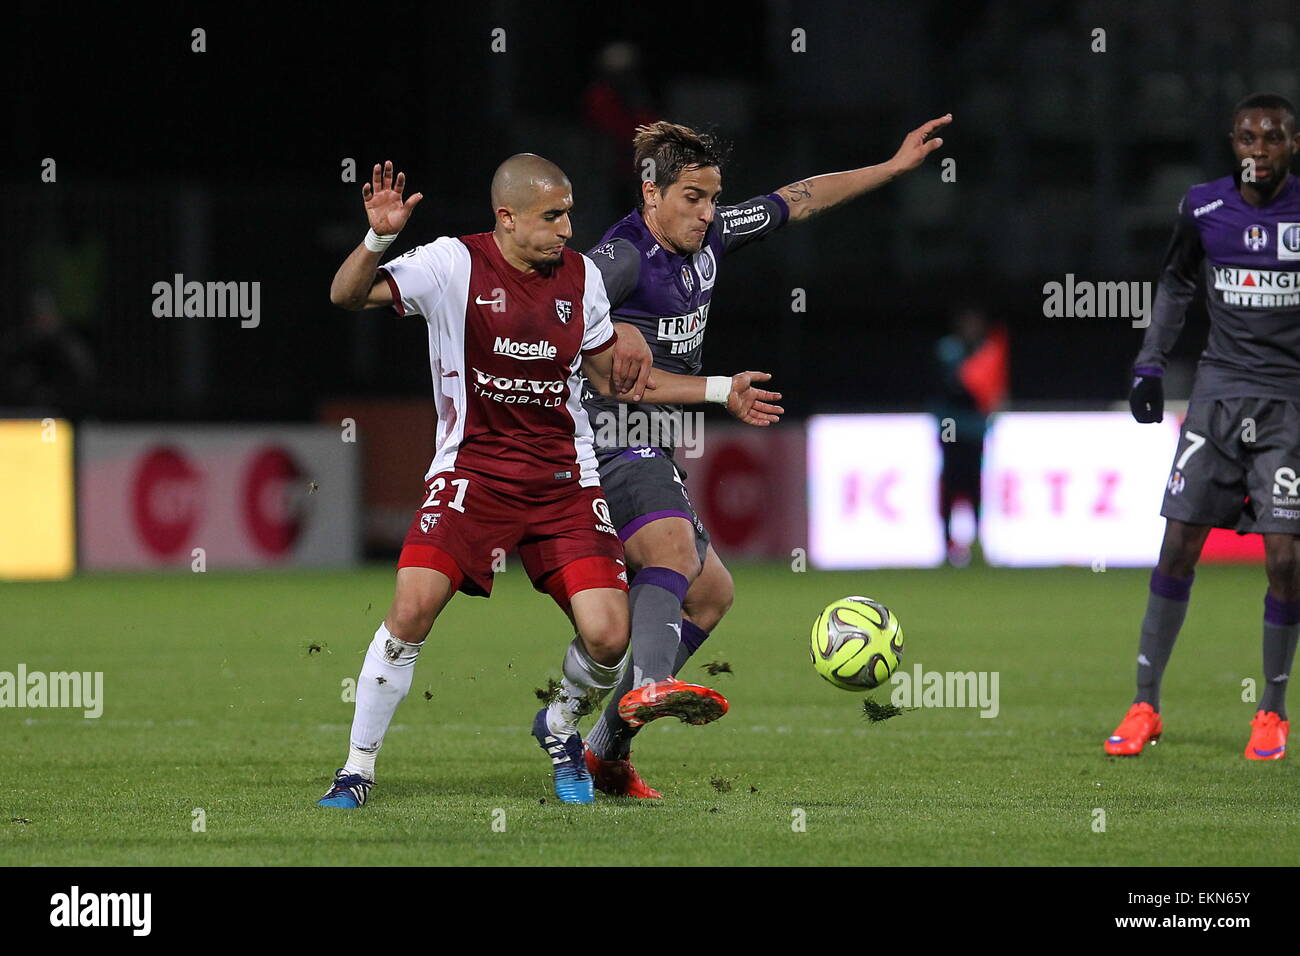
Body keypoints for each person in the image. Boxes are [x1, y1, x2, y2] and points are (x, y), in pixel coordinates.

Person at [318, 156, 783, 806]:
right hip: (471, 473)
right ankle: (357, 769)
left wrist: (693, 379)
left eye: (569, 212)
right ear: (507, 217)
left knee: (608, 635)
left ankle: (562, 726)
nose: (568, 228)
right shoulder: (452, 264)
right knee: (411, 609)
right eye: (553, 216)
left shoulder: (583, 280)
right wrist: (377, 239)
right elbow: (346, 295)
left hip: (564, 480)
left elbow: (613, 381)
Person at [571, 115, 952, 797]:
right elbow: (569, 312)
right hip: (600, 431)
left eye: (714, 197)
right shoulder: (623, 258)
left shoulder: (710, 236)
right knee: (672, 555)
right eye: (693, 197)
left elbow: (799, 197)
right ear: (651, 192)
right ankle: (652, 685)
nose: (708, 211)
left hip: (649, 432)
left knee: (713, 595)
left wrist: (889, 169)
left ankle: (605, 751)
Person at [1107, 93, 1300, 760]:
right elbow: (1177, 285)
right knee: (1178, 547)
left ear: (1291, 146)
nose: (1258, 150)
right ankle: (1144, 705)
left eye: (1271, 138)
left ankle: (1271, 713)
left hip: (1288, 408)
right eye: (1247, 138)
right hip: (1216, 401)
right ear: (1233, 143)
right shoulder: (1203, 208)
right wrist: (1150, 365)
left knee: (1284, 558)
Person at [933, 307, 1008, 566]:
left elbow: (994, 387)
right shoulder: (950, 349)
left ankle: (976, 542)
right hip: (951, 428)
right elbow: (953, 386)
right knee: (951, 484)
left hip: (975, 430)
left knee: (974, 485)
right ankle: (947, 544)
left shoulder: (987, 350)